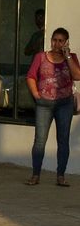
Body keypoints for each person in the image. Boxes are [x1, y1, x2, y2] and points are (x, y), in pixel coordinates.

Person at [25, 27, 80, 186]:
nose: (56, 43)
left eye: (60, 41)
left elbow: (77, 76)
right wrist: (36, 94)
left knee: (63, 140)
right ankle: (35, 175)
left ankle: (60, 176)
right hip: (44, 104)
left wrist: (67, 55)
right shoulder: (40, 57)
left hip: (65, 104)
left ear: (66, 42)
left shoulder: (72, 57)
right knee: (40, 140)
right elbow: (30, 76)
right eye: (54, 40)